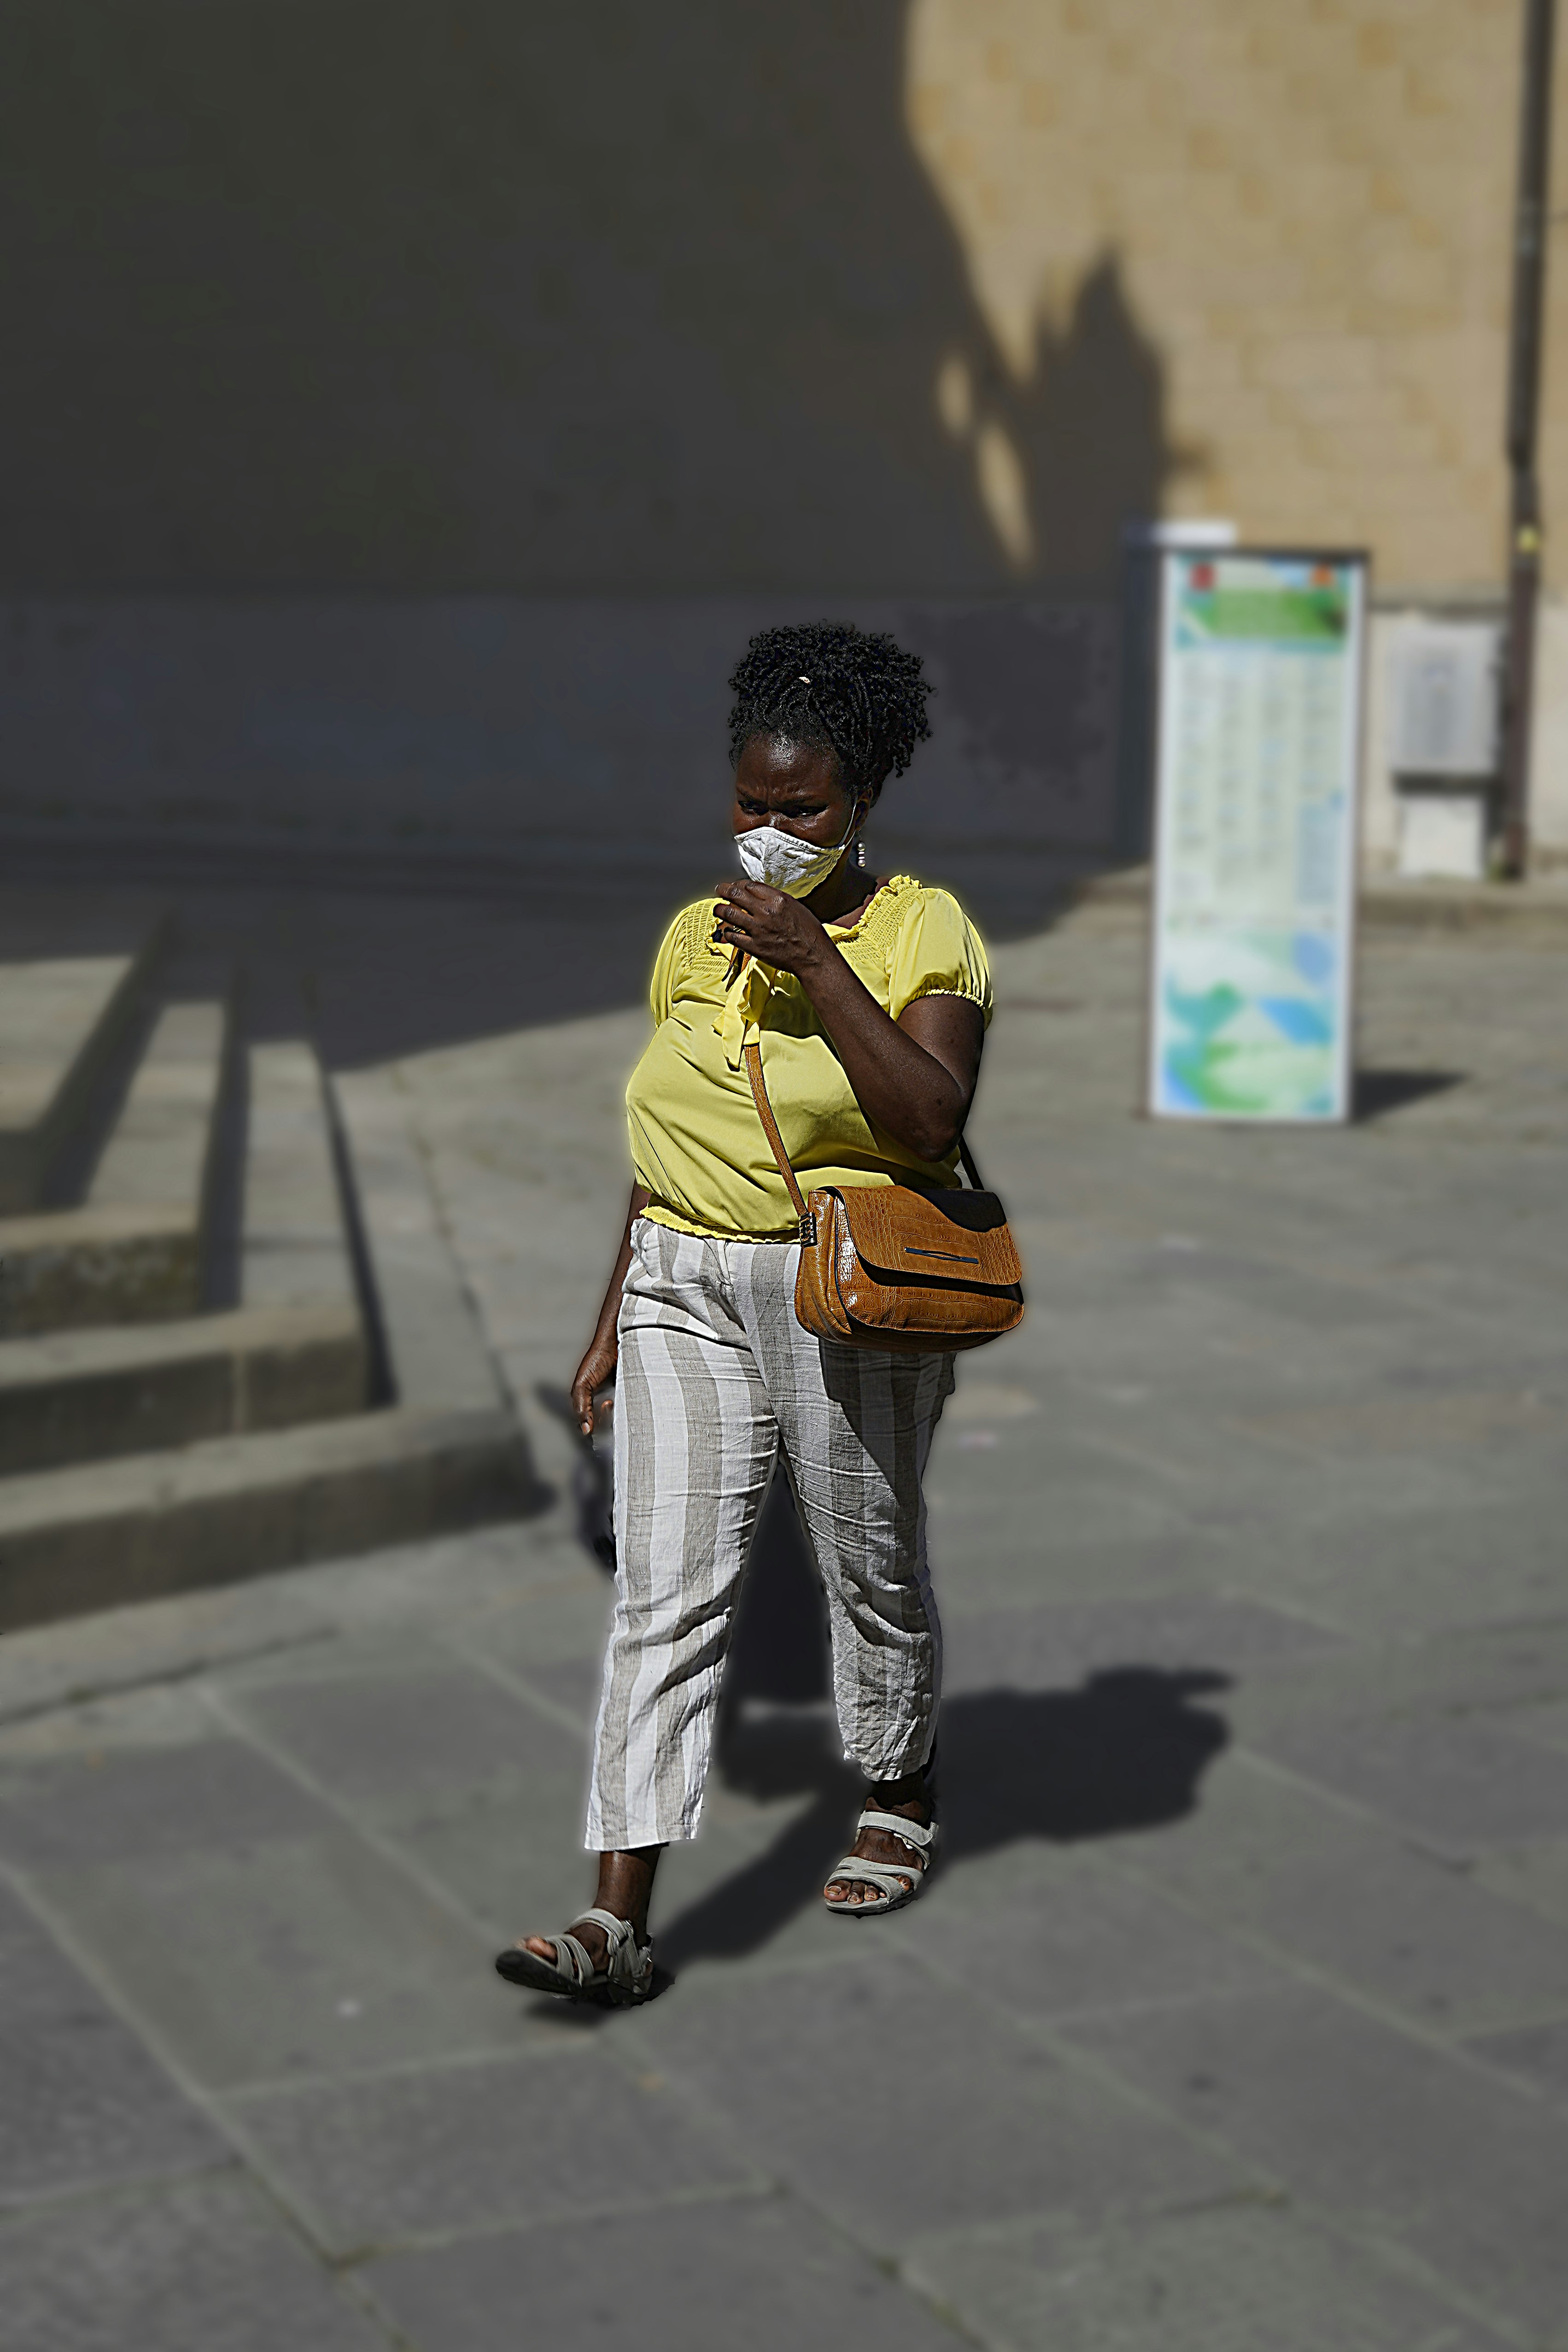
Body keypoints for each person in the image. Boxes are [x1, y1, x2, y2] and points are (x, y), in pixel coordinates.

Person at [497, 621, 992, 2005]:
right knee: (663, 1589)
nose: (771, 831)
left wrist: (816, 965)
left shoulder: (917, 929)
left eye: (804, 808)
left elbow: (928, 1112)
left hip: (841, 1285)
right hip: (680, 1281)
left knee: (865, 1563)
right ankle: (617, 1917)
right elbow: (666, 1139)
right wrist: (608, 1315)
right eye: (752, 805)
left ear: (864, 799)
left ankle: (898, 1787)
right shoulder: (688, 938)